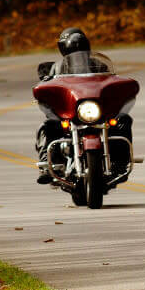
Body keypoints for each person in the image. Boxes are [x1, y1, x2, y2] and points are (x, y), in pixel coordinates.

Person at [35, 27, 132, 184]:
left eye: (79, 45)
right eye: (74, 45)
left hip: (95, 110)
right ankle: (47, 165)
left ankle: (120, 162)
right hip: (71, 112)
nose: (76, 48)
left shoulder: (99, 65)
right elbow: (48, 85)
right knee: (47, 126)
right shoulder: (57, 68)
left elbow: (110, 83)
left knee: (123, 120)